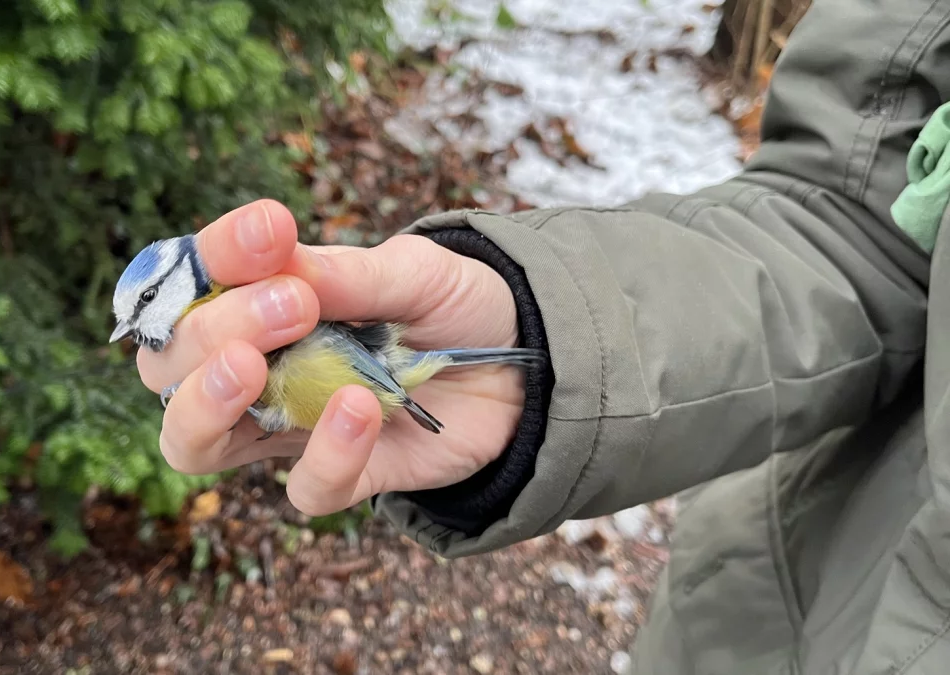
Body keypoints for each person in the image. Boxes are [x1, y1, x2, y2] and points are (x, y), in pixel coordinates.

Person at [134, 0, 950, 671]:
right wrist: (543, 330)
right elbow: (855, 217)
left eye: (146, 310)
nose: (139, 332)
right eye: (137, 323)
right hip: (764, 623)